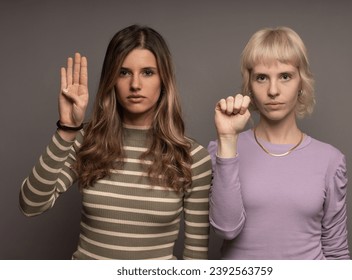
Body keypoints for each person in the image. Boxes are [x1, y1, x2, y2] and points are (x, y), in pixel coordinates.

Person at [19, 25, 212, 260]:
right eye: (124, 72)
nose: (135, 85)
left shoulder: (192, 157)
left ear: (164, 79)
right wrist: (68, 129)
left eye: (148, 72)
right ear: (111, 78)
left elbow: (196, 257)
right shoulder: (87, 140)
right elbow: (30, 204)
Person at [208, 26, 349, 259]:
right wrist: (226, 139)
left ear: (301, 83)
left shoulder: (330, 160)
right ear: (249, 86)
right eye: (262, 78)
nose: (273, 91)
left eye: (285, 76)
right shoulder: (224, 148)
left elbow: (337, 252)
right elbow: (226, 228)